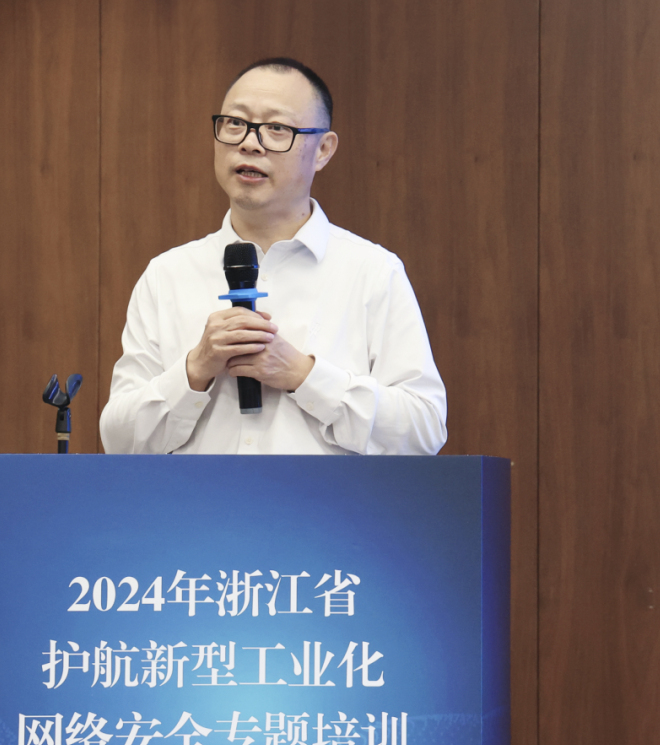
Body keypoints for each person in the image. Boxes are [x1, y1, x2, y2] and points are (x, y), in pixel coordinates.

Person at [100, 58, 447, 455]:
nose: (250, 143)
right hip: (198, 498)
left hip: (322, 498)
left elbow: (424, 431)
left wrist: (304, 376)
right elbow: (118, 440)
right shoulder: (167, 275)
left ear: (323, 150)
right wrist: (194, 370)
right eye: (235, 123)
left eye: (277, 128)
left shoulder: (373, 272)